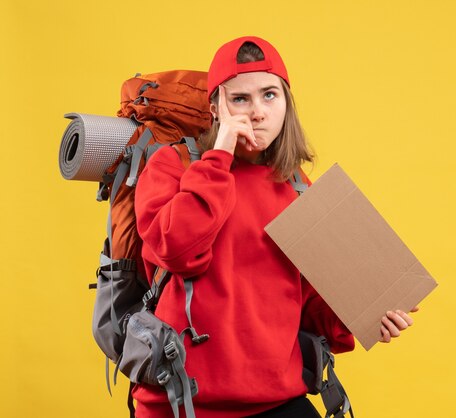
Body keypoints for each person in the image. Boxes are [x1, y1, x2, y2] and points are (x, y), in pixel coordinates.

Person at [133, 36, 418, 418]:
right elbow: (180, 250)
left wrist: (368, 314)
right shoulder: (173, 166)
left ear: (286, 103)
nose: (257, 112)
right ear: (215, 107)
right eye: (240, 99)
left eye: (270, 95)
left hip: (277, 400)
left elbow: (314, 305)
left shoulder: (296, 184)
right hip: (182, 402)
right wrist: (219, 155)